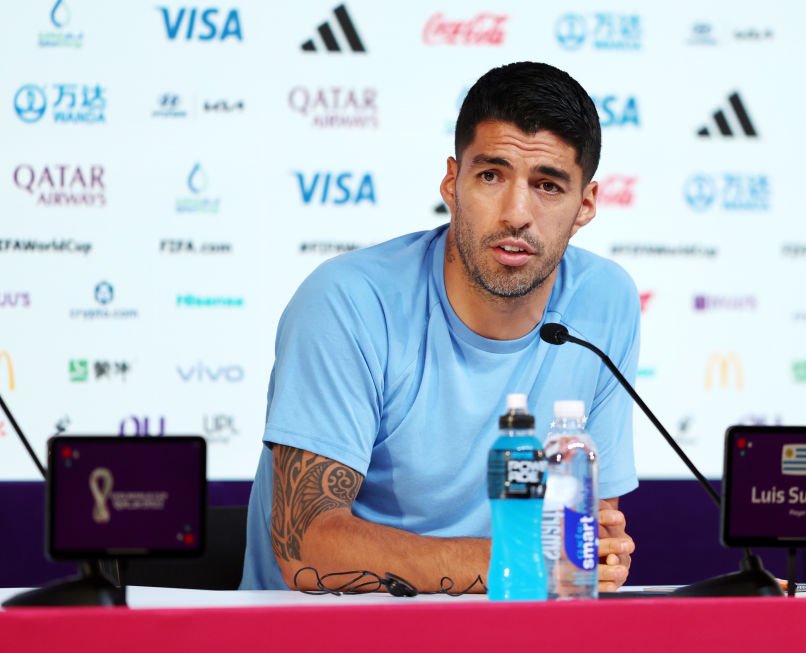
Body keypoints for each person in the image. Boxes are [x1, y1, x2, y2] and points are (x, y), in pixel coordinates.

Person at [240, 62, 640, 593]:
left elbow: (584, 537)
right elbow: (308, 546)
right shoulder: (347, 301)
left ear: (585, 204)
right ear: (452, 182)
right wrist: (526, 561)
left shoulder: (604, 302)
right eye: (491, 175)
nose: (516, 213)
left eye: (547, 185)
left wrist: (594, 555)